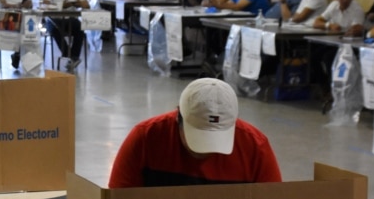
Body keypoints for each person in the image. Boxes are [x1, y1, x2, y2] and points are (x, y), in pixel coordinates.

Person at [108, 78, 282, 188]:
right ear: (178, 117)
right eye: (199, 136)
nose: (205, 150)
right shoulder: (145, 138)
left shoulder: (255, 148)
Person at [43, 0, 90, 71]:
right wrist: (61, 5)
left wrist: (74, 3)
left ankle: (73, 56)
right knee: (54, 29)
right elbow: (44, 5)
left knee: (80, 28)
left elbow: (86, 5)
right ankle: (69, 55)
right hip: (53, 19)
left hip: (70, 19)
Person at [0, 0, 33, 69]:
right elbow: (3, 4)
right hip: (6, 20)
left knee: (30, 26)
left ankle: (19, 54)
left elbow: (29, 4)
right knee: (24, 27)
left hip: (24, 19)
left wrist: (22, 5)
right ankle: (18, 54)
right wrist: (18, 6)